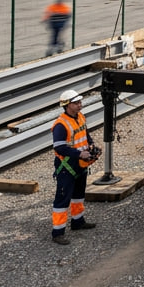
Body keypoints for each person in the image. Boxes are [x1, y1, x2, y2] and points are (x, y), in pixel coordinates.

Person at [51, 89, 100, 245]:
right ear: (67, 105)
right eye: (76, 103)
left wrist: (91, 145)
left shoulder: (80, 117)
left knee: (78, 195)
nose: (80, 105)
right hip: (66, 165)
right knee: (63, 198)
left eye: (80, 102)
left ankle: (78, 222)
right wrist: (79, 154)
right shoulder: (60, 125)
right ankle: (58, 232)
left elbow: (85, 134)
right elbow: (59, 147)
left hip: (79, 163)